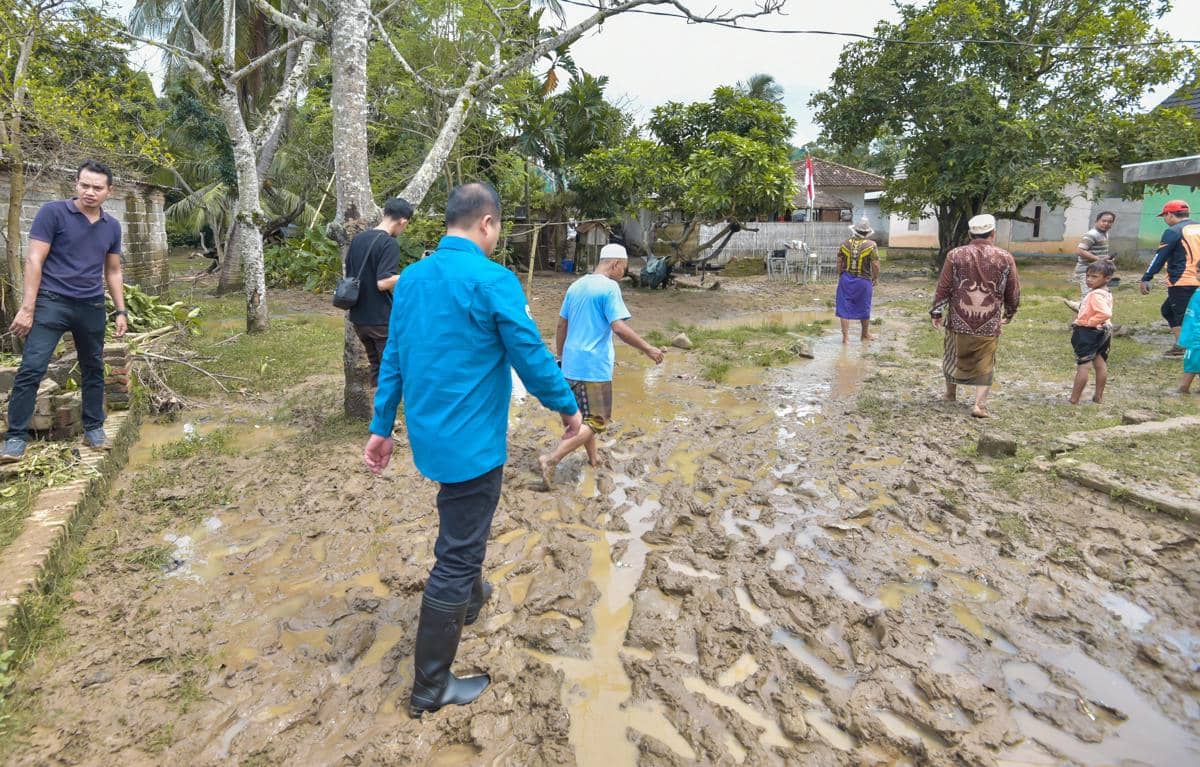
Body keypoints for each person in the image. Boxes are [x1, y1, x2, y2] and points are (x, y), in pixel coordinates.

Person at [362, 183, 581, 718]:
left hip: (431, 438)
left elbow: (394, 355)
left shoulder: (411, 279)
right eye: (498, 228)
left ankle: (471, 601)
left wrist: (382, 425)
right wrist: (569, 410)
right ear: (486, 224)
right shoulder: (493, 279)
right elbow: (529, 353)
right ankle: (430, 687)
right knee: (456, 555)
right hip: (474, 446)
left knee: (465, 529)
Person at [2, 161, 128, 463]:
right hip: (51, 302)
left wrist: (120, 310)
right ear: (76, 184)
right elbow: (34, 260)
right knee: (32, 367)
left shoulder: (112, 226)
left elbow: (113, 271)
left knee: (94, 367)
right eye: (84, 185)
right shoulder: (53, 213)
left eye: (97, 187)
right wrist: (27, 308)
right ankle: (15, 438)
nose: (90, 192)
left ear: (109, 191)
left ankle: (94, 428)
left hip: (91, 305)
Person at [538, 244, 664, 486]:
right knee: (598, 421)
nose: (623, 274)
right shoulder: (609, 287)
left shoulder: (576, 286)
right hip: (594, 367)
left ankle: (593, 459)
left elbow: (561, 325)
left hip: (571, 365)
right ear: (616, 264)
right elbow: (618, 327)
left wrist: (562, 358)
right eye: (624, 269)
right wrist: (648, 348)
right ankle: (552, 459)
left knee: (584, 418)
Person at [930, 214, 1021, 419]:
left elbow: (944, 286)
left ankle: (950, 393)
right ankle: (979, 405)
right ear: (993, 233)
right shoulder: (1005, 257)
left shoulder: (955, 255)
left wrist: (937, 311)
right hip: (988, 321)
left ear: (970, 234)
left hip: (959, 317)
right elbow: (1012, 290)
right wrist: (1011, 310)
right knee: (986, 361)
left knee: (953, 354)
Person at [345, 197, 412, 387]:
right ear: (403, 221)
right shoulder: (388, 243)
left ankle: (378, 413)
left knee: (377, 367)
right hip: (379, 320)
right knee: (391, 372)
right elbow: (383, 282)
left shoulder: (358, 239)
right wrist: (408, 275)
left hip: (359, 318)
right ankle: (386, 415)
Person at [1139, 200, 1198, 357]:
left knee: (1184, 318)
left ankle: (1190, 353)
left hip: (1182, 281)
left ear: (1170, 214)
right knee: (1168, 310)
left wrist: (1146, 277)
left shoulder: (1173, 231)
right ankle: (1180, 345)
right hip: (1196, 279)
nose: (1165, 220)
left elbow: (1160, 256)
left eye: (1164, 216)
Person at [1069, 261, 1115, 405]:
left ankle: (1074, 398)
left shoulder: (1095, 295)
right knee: (1100, 363)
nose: (1089, 279)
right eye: (1088, 276)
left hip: (1089, 332)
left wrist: (1089, 322)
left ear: (1107, 278)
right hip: (1104, 331)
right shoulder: (1106, 292)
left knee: (1084, 365)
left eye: (1094, 276)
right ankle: (1098, 397)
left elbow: (1105, 312)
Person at [834, 217, 880, 343]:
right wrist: (875, 278)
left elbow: (839, 261)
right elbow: (875, 264)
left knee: (844, 307)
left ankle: (845, 338)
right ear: (867, 233)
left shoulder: (844, 244)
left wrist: (840, 275)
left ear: (855, 231)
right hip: (863, 281)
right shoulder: (871, 245)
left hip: (846, 279)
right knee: (864, 306)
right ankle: (864, 334)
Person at [1074, 211, 1116, 299]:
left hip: (1097, 271)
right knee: (1088, 297)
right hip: (1086, 270)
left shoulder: (1105, 234)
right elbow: (1080, 250)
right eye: (1103, 221)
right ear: (1097, 221)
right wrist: (1099, 260)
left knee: (1097, 295)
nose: (1106, 223)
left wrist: (1106, 260)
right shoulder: (1092, 234)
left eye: (1109, 222)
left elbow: (1098, 253)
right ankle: (1082, 311)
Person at [1178, 287, 1200, 394]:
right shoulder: (1197, 292)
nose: (1197, 274)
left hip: (1196, 337)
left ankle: (1183, 388)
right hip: (1193, 334)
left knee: (1191, 365)